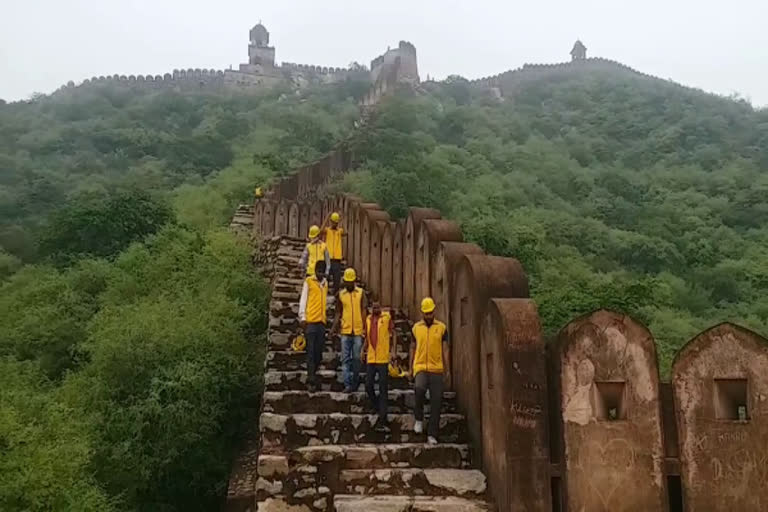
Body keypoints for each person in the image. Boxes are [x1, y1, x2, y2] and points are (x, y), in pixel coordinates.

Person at [410, 297, 450, 444]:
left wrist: (447, 369)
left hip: (436, 368)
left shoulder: (442, 328)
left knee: (437, 401)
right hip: (420, 366)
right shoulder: (416, 328)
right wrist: (410, 368)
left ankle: (432, 434)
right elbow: (412, 348)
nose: (428, 316)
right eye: (426, 313)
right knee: (419, 389)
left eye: (430, 313)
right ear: (422, 313)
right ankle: (419, 418)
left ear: (434, 312)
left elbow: (445, 349)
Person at [362, 294, 397, 431]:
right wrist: (362, 350)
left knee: (383, 388)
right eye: (374, 306)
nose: (376, 308)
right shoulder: (368, 319)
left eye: (378, 306)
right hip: (371, 358)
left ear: (380, 307)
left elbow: (393, 334)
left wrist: (393, 352)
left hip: (382, 358)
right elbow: (367, 336)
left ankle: (383, 416)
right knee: (368, 385)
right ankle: (376, 405)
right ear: (371, 307)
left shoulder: (387, 318)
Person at [331, 268, 366, 393]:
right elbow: (338, 312)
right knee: (345, 359)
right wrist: (333, 328)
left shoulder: (361, 293)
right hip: (345, 330)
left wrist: (365, 328)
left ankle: (355, 381)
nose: (349, 284)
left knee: (357, 358)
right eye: (347, 282)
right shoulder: (341, 295)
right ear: (344, 281)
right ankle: (347, 384)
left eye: (351, 282)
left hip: (357, 330)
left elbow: (363, 311)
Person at [298, 260, 328, 392]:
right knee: (310, 352)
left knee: (318, 354)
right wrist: (302, 317)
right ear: (315, 271)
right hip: (310, 322)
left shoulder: (325, 283)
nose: (320, 274)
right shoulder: (309, 281)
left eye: (322, 272)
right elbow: (303, 299)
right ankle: (311, 381)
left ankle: (312, 375)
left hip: (321, 322)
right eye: (318, 271)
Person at [320, 212, 346, 291]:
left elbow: (346, 232)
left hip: (337, 258)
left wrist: (342, 220)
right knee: (326, 277)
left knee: (337, 279)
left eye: (336, 222)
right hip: (328, 257)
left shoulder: (340, 231)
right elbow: (321, 231)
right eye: (334, 222)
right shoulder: (327, 230)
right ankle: (325, 293)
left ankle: (335, 294)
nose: (335, 224)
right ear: (331, 221)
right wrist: (326, 218)